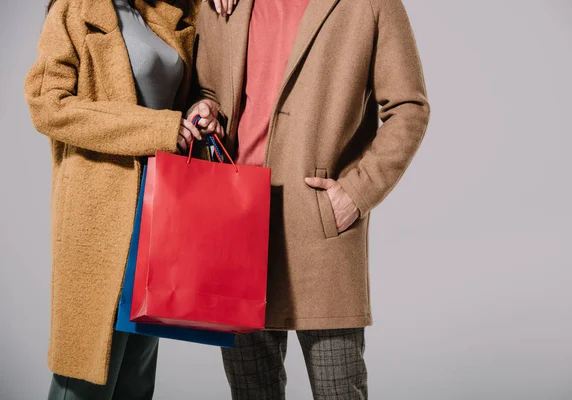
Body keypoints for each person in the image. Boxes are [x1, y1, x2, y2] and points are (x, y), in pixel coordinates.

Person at [187, 0, 431, 398]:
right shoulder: (220, 5)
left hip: (319, 233)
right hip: (235, 229)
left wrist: (357, 191)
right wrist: (204, 107)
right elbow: (203, 87)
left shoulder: (371, 4)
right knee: (252, 392)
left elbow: (409, 108)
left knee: (338, 389)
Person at [24, 0, 230, 398]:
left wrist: (201, 107)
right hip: (100, 212)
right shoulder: (74, 9)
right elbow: (46, 105)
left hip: (164, 211)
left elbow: (191, 91)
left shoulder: (169, 10)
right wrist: (156, 128)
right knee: (87, 379)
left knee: (136, 377)